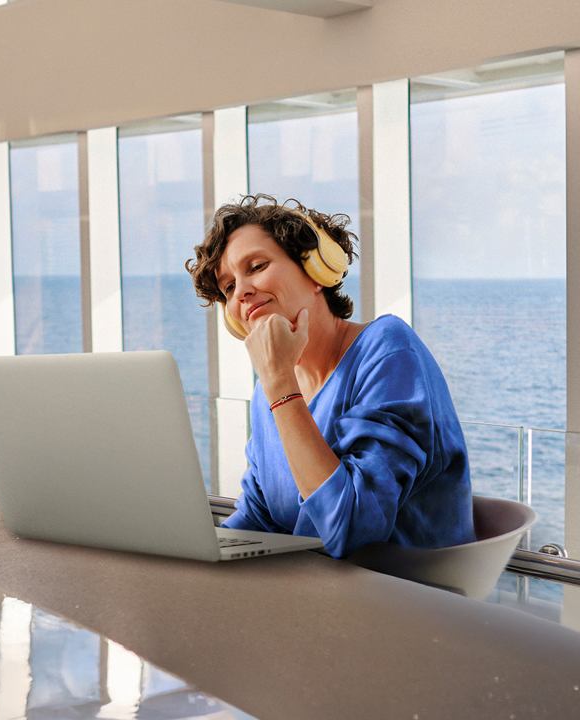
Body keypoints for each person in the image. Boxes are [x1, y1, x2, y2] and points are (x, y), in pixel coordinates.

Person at [185, 194, 474, 559]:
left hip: (400, 598)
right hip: (311, 592)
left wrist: (280, 388)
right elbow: (260, 517)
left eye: (256, 266)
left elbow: (354, 531)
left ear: (315, 270)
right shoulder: (269, 392)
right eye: (228, 287)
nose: (241, 291)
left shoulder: (388, 349)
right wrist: (195, 553)